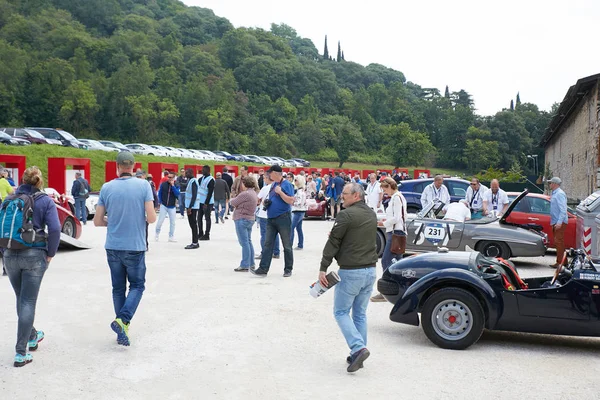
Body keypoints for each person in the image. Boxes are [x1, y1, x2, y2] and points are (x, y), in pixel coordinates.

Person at [94, 152, 157, 347]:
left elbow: (97, 221)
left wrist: (112, 222)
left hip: (113, 245)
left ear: (117, 166)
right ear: (133, 166)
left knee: (118, 288)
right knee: (137, 286)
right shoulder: (144, 185)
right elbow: (152, 217)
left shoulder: (106, 187)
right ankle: (123, 320)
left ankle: (122, 329)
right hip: (135, 246)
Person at [3, 166, 60, 367]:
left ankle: (33, 334)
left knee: (21, 298)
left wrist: (4, 252)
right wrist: (50, 254)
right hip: (34, 255)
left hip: (9, 254)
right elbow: (54, 228)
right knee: (27, 301)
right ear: (38, 181)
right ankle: (21, 352)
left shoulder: (10, 198)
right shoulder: (44, 200)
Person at [317, 182, 377, 373]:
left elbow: (334, 241)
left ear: (356, 196)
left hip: (352, 272)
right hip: (370, 271)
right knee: (359, 314)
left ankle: (358, 348)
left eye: (345, 193)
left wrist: (323, 267)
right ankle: (359, 352)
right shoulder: (371, 213)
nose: (342, 196)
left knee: (341, 312)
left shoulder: (345, 215)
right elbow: (355, 238)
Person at [250, 165, 295, 277]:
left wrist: (280, 193)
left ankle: (288, 269)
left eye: (270, 173)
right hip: (271, 218)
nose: (269, 175)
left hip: (283, 217)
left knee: (286, 245)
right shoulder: (274, 184)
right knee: (267, 244)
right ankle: (263, 268)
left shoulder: (287, 184)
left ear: (275, 173)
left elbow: (290, 200)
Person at [371, 178, 407, 302]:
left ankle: (386, 290)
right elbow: (402, 216)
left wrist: (384, 223)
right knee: (397, 262)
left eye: (385, 188)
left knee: (386, 261)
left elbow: (396, 217)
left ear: (390, 186)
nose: (384, 191)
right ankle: (399, 289)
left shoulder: (396, 198)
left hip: (395, 232)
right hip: (399, 231)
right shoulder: (399, 197)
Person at [229, 176, 259, 272]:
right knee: (248, 241)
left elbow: (233, 202)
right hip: (250, 218)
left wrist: (232, 198)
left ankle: (245, 264)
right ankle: (251, 263)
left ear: (244, 184)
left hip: (241, 218)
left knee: (244, 242)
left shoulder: (245, 194)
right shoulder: (253, 193)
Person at [256, 173, 281, 261]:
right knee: (275, 234)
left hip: (264, 214)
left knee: (264, 234)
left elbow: (258, 198)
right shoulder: (277, 188)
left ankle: (264, 252)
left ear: (267, 178)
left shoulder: (265, 188)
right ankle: (276, 252)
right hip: (274, 214)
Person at [548, 177, 568, 268]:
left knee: (558, 242)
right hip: (555, 221)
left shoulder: (559, 194)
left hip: (559, 221)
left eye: (550, 183)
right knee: (559, 242)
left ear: (555, 184)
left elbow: (563, 210)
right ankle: (563, 262)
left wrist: (559, 222)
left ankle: (560, 263)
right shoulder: (555, 193)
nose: (549, 184)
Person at [155, 171, 179, 242]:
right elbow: (160, 193)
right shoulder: (163, 184)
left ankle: (171, 236)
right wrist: (159, 202)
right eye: (168, 177)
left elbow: (177, 194)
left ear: (174, 178)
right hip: (164, 205)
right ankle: (157, 234)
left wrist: (173, 186)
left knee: (172, 222)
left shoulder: (176, 184)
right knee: (160, 221)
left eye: (171, 177)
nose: (169, 178)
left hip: (172, 206)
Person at [184, 168, 200, 249]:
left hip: (192, 207)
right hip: (190, 206)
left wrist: (190, 207)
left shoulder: (193, 181)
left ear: (190, 173)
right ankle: (195, 241)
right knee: (192, 225)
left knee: (193, 224)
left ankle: (195, 243)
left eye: (186, 173)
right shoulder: (190, 181)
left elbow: (194, 195)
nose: (185, 174)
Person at [197, 165, 215, 241]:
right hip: (200, 201)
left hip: (207, 203)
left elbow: (210, 192)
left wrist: (206, 203)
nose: (202, 171)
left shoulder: (211, 180)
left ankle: (207, 234)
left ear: (208, 171)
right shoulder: (201, 179)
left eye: (203, 170)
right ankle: (200, 232)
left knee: (207, 218)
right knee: (199, 218)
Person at [291, 175, 307, 250]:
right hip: (301, 210)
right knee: (299, 228)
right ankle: (300, 244)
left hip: (298, 210)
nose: (295, 181)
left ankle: (289, 244)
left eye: (296, 180)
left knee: (291, 228)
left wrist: (292, 202)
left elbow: (299, 202)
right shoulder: (302, 191)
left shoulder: (299, 192)